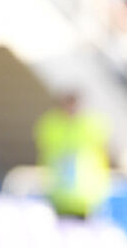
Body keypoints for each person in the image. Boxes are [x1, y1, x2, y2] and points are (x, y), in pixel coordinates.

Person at [34, 90, 111, 219]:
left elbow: (103, 153)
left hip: (86, 197)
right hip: (58, 194)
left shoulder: (91, 125)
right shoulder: (51, 125)